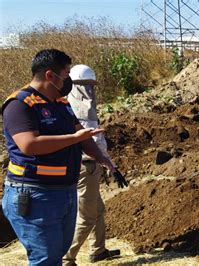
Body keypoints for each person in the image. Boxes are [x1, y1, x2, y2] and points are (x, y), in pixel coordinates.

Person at [1, 49, 114, 265]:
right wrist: (74, 138)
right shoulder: (19, 104)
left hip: (64, 192)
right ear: (50, 75)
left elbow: (83, 136)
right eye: (66, 74)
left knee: (57, 253)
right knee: (45, 258)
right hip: (35, 194)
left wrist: (101, 157)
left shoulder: (61, 103)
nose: (68, 80)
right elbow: (29, 145)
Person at [63, 65, 126, 265]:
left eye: (90, 85)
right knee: (88, 216)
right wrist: (111, 166)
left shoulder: (75, 107)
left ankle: (98, 250)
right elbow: (94, 143)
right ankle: (66, 258)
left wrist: (110, 166)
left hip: (89, 166)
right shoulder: (77, 110)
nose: (90, 90)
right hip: (85, 167)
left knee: (98, 209)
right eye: (86, 85)